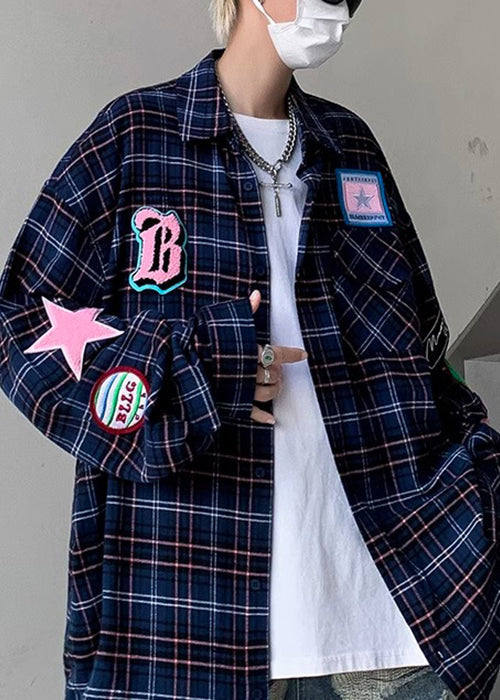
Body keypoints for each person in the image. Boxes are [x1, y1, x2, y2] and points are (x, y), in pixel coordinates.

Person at [0, 0, 498, 698]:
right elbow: (24, 325)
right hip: (187, 614)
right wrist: (209, 370)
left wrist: (483, 481)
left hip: (392, 612)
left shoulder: (350, 146)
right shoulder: (135, 135)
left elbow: (423, 349)